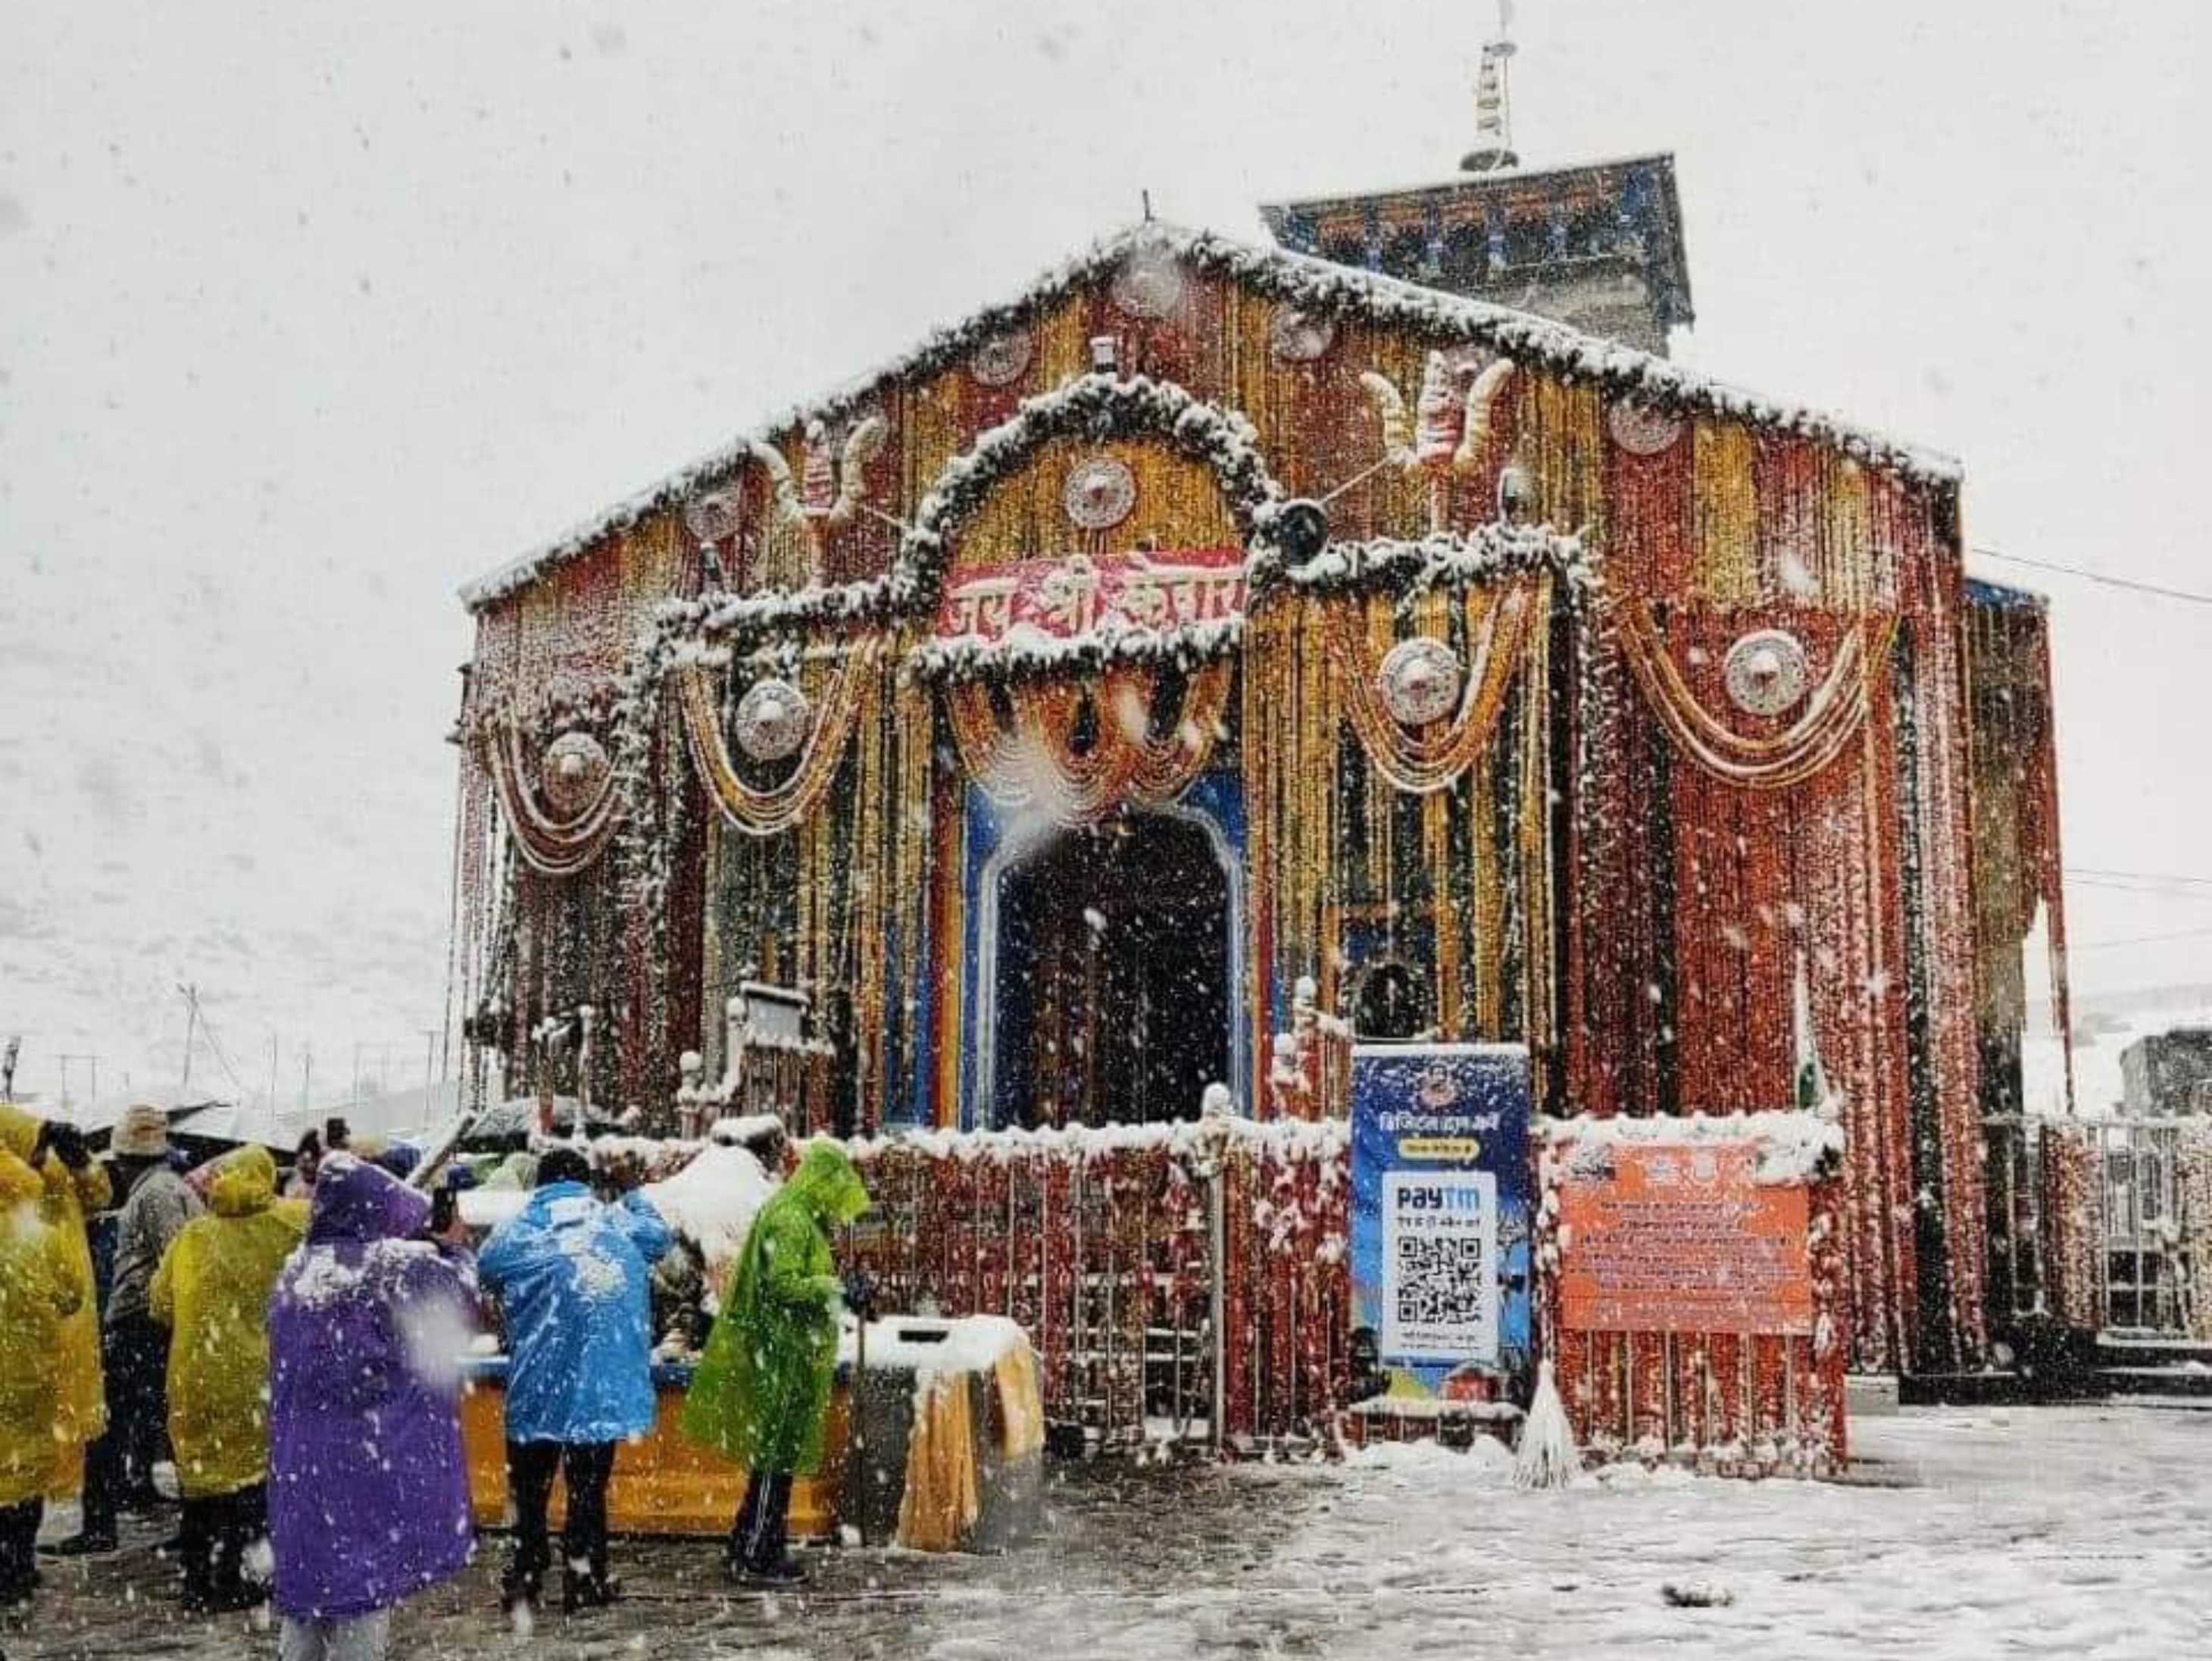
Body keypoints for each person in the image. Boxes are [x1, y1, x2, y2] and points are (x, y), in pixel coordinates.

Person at [267, 1152, 476, 1661]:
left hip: (299, 1461)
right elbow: (460, 1307)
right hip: (366, 1462)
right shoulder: (393, 1270)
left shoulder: (296, 1271)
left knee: (308, 1587)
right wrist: (456, 1250)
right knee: (364, 1586)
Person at [478, 1146, 671, 1616]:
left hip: (538, 1381)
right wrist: (633, 1190)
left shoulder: (520, 1228)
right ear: (587, 1183)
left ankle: (527, 1573)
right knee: (587, 1488)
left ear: (540, 1185)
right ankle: (584, 1578)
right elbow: (659, 1238)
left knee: (530, 1487)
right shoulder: (616, 1222)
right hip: (599, 1387)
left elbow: (486, 1269)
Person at [682, 1140, 870, 1584]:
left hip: (787, 1353)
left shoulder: (795, 1215)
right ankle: (756, 1554)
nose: (838, 1210)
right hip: (782, 1355)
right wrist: (837, 1289)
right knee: (774, 1461)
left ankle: (748, 1543)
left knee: (774, 1459)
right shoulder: (791, 1220)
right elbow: (785, 1285)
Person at [148, 1144, 308, 1611]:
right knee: (250, 1481)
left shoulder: (192, 1236)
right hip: (253, 1372)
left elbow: (159, 1304)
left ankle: (198, 1583)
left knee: (201, 1483)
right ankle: (242, 1576)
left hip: (191, 1373)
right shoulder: (285, 1227)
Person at [50, 1106, 202, 1556]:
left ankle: (100, 1525)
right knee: (168, 1424)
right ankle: (195, 1522)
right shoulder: (169, 1187)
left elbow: (175, 1262)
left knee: (108, 1425)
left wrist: (161, 1316)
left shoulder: (153, 1194)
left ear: (124, 1156)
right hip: (154, 1328)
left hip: (143, 1326)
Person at [0, 1106, 111, 1502]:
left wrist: (81, 1161)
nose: (38, 1150)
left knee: (73, 1409)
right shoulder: (9, 1180)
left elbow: (100, 1196)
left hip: (66, 1299)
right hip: (23, 1305)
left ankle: (64, 1502)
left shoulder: (56, 1166)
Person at [0, 1130, 84, 1606]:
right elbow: (72, 1297)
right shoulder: (44, 1238)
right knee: (26, 1473)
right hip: (30, 1374)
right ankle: (18, 1566)